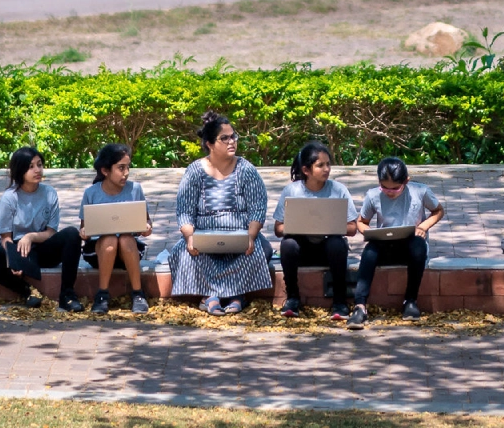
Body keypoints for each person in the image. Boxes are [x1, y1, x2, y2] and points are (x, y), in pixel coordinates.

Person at [166, 110, 274, 316]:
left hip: (240, 236)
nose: (232, 141)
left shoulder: (246, 169)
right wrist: (190, 237)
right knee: (183, 252)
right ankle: (211, 295)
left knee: (258, 250)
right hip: (205, 238)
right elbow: (185, 210)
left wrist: (251, 236)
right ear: (209, 144)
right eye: (224, 138)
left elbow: (258, 207)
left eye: (233, 136)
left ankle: (234, 295)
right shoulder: (195, 171)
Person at [0, 147, 85, 312]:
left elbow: (51, 232)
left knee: (72, 234)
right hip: (16, 248)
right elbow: (5, 238)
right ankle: (27, 292)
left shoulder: (50, 193)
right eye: (31, 166)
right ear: (20, 170)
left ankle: (67, 295)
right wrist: (14, 260)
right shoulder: (9, 198)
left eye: (39, 165)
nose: (37, 170)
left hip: (41, 247)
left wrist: (31, 237)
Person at [349, 157, 444, 327]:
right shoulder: (372, 195)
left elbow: (438, 211)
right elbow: (361, 222)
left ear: (406, 181)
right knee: (369, 252)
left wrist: (423, 227)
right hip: (385, 245)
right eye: (384, 188)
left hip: (411, 247)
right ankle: (360, 306)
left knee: (419, 247)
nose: (390, 192)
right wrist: (368, 233)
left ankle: (410, 301)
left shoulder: (420, 191)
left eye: (395, 188)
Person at [273, 141, 356, 322]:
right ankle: (293, 299)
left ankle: (340, 302)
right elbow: (278, 229)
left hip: (328, 250)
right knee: (287, 244)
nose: (326, 169)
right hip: (301, 249)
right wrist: (298, 226)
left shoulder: (338, 190)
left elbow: (352, 228)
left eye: (328, 164)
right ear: (306, 170)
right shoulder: (292, 191)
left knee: (337, 244)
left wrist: (329, 226)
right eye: (320, 165)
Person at [80, 143, 152, 315]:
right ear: (105, 171)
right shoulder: (91, 193)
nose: (126, 173)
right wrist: (84, 233)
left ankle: (138, 293)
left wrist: (146, 228)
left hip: (128, 251)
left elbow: (147, 222)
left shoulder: (135, 189)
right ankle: (102, 294)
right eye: (121, 168)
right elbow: (84, 229)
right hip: (99, 252)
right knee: (110, 238)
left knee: (126, 238)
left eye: (128, 167)